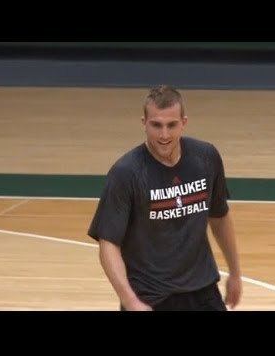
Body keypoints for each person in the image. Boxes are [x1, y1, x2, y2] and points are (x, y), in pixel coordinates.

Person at [88, 85, 242, 311]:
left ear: (184, 122)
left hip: (202, 289)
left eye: (172, 125)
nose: (164, 135)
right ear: (144, 123)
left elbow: (219, 216)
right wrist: (130, 301)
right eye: (156, 125)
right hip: (150, 296)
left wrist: (235, 273)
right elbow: (108, 244)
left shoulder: (206, 157)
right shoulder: (126, 172)